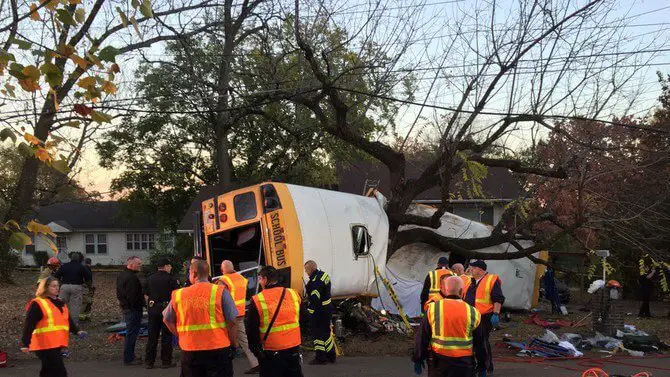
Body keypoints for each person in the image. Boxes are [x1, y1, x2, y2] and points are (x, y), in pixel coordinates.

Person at [163, 259, 239, 377]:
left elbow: (167, 319)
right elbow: (233, 321)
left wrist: (180, 335)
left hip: (190, 350)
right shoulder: (220, 292)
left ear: (194, 273)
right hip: (218, 348)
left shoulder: (179, 294)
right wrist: (234, 344)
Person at [413, 276, 481, 377]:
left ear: (446, 289)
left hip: (439, 362)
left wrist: (418, 358)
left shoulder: (433, 309)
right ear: (462, 290)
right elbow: (480, 341)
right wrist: (483, 364)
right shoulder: (473, 312)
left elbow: (422, 336)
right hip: (464, 364)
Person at [21, 276, 87, 377]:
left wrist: (77, 331)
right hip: (44, 344)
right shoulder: (38, 304)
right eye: (53, 286)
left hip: (55, 344)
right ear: (45, 288)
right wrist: (25, 343)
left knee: (48, 371)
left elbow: (67, 320)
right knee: (59, 372)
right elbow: (29, 324)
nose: (57, 288)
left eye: (58, 286)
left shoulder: (60, 303)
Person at [247, 266, 303, 377]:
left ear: (265, 279)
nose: (259, 282)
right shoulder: (293, 293)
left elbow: (251, 329)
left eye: (260, 279)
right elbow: (304, 318)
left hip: (270, 351)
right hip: (293, 348)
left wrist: (256, 350)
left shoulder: (258, 299)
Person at [463, 260, 504, 377]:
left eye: (473, 268)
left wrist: (496, 314)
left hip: (485, 317)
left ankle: (485, 366)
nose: (471, 270)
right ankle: (476, 365)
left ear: (480, 269)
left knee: (482, 341)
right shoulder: (469, 281)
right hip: (469, 317)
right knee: (472, 342)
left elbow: (498, 298)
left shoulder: (491, 280)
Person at [218, 260, 259, 374]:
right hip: (240, 313)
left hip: (228, 315)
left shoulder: (223, 280)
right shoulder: (241, 278)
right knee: (244, 339)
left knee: (222, 339)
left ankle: (223, 364)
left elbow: (219, 298)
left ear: (222, 269)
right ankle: (256, 362)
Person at [145, 258, 179, 369]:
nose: (171, 268)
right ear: (165, 266)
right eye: (169, 266)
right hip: (167, 309)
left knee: (152, 336)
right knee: (167, 336)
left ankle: (149, 362)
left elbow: (145, 292)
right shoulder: (171, 279)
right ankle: (166, 361)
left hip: (153, 309)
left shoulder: (150, 278)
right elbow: (177, 294)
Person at [303, 260, 336, 365]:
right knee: (326, 333)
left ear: (310, 270)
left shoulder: (315, 282)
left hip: (319, 311)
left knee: (317, 335)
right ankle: (331, 356)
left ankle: (320, 358)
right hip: (327, 308)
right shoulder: (323, 275)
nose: (306, 272)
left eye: (306, 270)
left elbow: (315, 299)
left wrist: (309, 311)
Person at [116, 256, 145, 366]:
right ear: (131, 264)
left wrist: (123, 305)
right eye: (138, 264)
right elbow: (133, 295)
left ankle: (129, 356)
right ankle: (129, 358)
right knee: (132, 333)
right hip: (133, 309)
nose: (140, 266)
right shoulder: (132, 278)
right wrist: (136, 306)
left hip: (127, 307)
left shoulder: (122, 275)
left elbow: (119, 293)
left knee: (130, 332)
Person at [54, 252, 91, 327]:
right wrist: (88, 286)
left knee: (61, 304)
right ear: (78, 259)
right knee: (74, 306)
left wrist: (60, 283)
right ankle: (73, 325)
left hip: (64, 287)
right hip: (76, 287)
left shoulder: (64, 266)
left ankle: (59, 321)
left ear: (70, 258)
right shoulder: (81, 267)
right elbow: (88, 278)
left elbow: (56, 276)